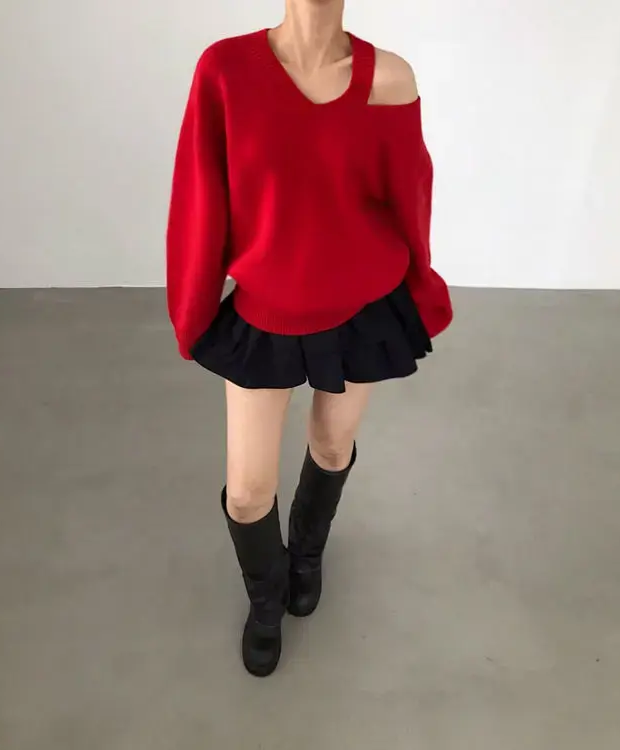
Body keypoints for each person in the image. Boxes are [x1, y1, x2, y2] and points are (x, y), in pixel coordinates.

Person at [166, 0, 452, 677]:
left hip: (363, 305)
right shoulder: (225, 71)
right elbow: (200, 196)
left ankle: (308, 555)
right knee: (247, 492)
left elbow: (409, 198)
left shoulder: (390, 79)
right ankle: (266, 601)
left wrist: (420, 288)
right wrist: (194, 306)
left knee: (330, 445)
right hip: (267, 309)